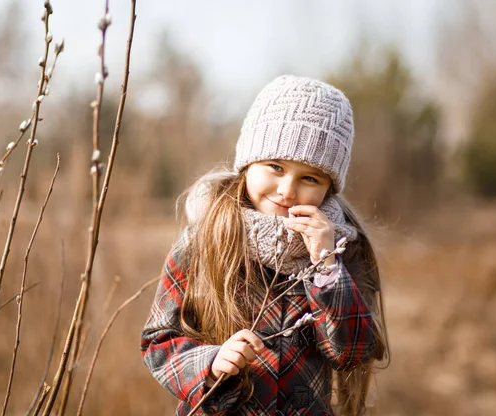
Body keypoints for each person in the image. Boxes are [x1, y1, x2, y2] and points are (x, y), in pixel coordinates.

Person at [140, 75, 389, 415]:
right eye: (275, 167)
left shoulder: (339, 249)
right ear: (248, 163)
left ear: (329, 187)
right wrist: (211, 362)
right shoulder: (205, 239)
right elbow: (158, 340)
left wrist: (327, 267)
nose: (287, 190)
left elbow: (353, 352)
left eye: (309, 178)